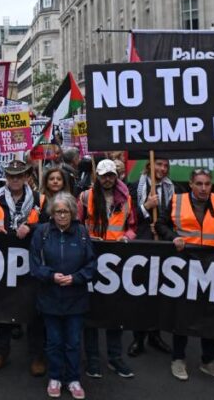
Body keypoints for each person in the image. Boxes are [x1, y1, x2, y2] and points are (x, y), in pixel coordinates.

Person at [155, 168, 214, 382]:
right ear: (190, 184)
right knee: (183, 312)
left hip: (212, 265)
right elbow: (161, 224)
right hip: (185, 264)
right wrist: (173, 237)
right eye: (199, 183)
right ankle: (178, 358)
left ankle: (209, 361)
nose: (204, 188)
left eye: (207, 184)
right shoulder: (177, 200)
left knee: (210, 312)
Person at [31, 192, 96, 399]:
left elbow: (91, 265)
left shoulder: (82, 233)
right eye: (58, 211)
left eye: (65, 211)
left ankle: (73, 379)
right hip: (49, 297)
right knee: (54, 342)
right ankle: (55, 377)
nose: (61, 215)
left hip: (75, 298)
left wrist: (76, 278)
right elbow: (35, 265)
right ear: (52, 213)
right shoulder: (42, 232)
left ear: (72, 213)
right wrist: (51, 276)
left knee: (73, 342)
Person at [0, 160, 45, 376]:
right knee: (5, 308)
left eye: (19, 175)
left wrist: (30, 227)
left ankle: (37, 356)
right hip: (5, 261)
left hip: (32, 261)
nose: (15, 179)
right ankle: (1, 353)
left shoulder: (39, 199)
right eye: (11, 175)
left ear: (27, 177)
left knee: (34, 310)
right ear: (6, 178)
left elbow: (49, 225)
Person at [78, 159, 134, 380]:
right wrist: (87, 238)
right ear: (97, 177)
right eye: (104, 176)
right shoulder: (85, 197)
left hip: (116, 262)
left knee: (114, 311)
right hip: (91, 258)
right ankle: (92, 358)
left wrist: (126, 237)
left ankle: (115, 357)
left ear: (116, 176)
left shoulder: (126, 199)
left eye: (111, 175)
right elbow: (77, 225)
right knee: (91, 311)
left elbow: (132, 227)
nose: (108, 179)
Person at [129, 157, 173, 357]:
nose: (162, 168)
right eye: (159, 164)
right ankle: (138, 338)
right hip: (142, 244)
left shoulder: (173, 188)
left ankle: (155, 335)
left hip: (162, 244)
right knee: (141, 293)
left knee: (159, 293)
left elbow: (174, 216)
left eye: (165, 165)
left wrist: (162, 227)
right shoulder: (135, 186)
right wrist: (146, 206)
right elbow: (129, 217)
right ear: (150, 164)